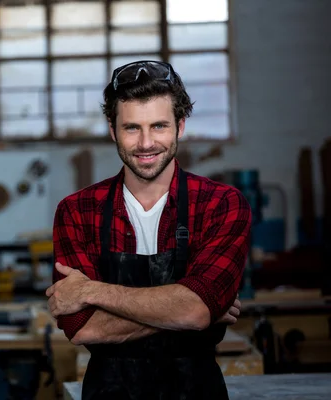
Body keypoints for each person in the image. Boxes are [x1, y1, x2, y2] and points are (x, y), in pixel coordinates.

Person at [45, 60, 252, 400]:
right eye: (131, 128)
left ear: (180, 126)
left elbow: (195, 309)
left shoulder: (221, 204)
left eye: (158, 126)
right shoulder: (78, 210)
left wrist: (90, 291)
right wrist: (193, 310)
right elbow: (83, 327)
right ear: (112, 130)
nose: (145, 143)